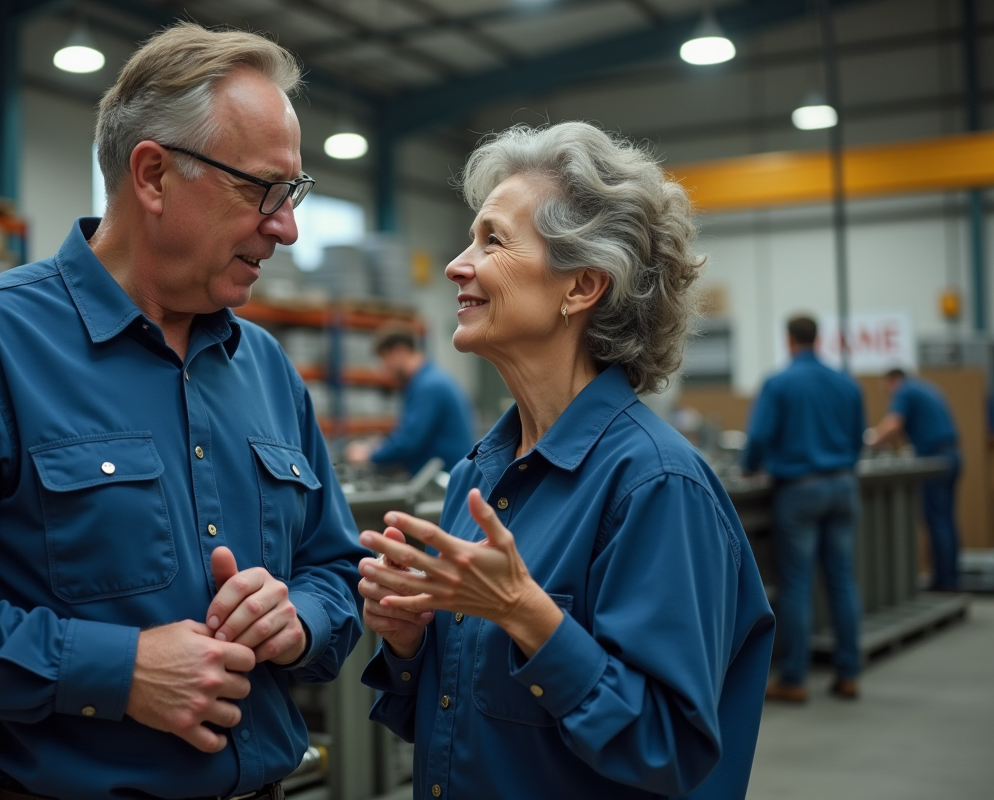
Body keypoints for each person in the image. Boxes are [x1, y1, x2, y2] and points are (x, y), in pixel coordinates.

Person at [0, 24, 368, 800]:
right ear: (154, 175)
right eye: (262, 190)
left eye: (293, 192)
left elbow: (335, 570)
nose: (287, 226)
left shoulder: (267, 369)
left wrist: (298, 618)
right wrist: (116, 671)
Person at [355, 122, 775, 800]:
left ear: (581, 286)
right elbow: (455, 722)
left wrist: (528, 615)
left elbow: (669, 750)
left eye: (492, 240)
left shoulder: (656, 487)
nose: (457, 265)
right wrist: (408, 643)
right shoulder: (475, 479)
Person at [742, 316, 866, 702]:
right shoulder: (847, 383)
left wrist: (749, 467)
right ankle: (848, 674)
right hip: (843, 486)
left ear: (789, 340)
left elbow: (759, 437)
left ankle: (794, 679)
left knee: (797, 584)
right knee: (842, 581)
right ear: (818, 339)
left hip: (800, 490)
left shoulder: (779, 383)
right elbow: (858, 438)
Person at [867, 368, 961, 590]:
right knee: (945, 520)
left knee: (936, 521)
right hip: (952, 455)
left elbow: (893, 424)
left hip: (935, 459)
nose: (888, 395)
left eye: (886, 389)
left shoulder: (904, 390)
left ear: (892, 381)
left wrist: (869, 441)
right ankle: (949, 578)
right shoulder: (924, 388)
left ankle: (944, 584)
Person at [344, 322, 474, 474]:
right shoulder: (427, 380)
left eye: (385, 360)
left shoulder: (428, 386)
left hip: (445, 479)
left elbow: (408, 442)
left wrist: (368, 454)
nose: (384, 370)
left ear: (399, 351)